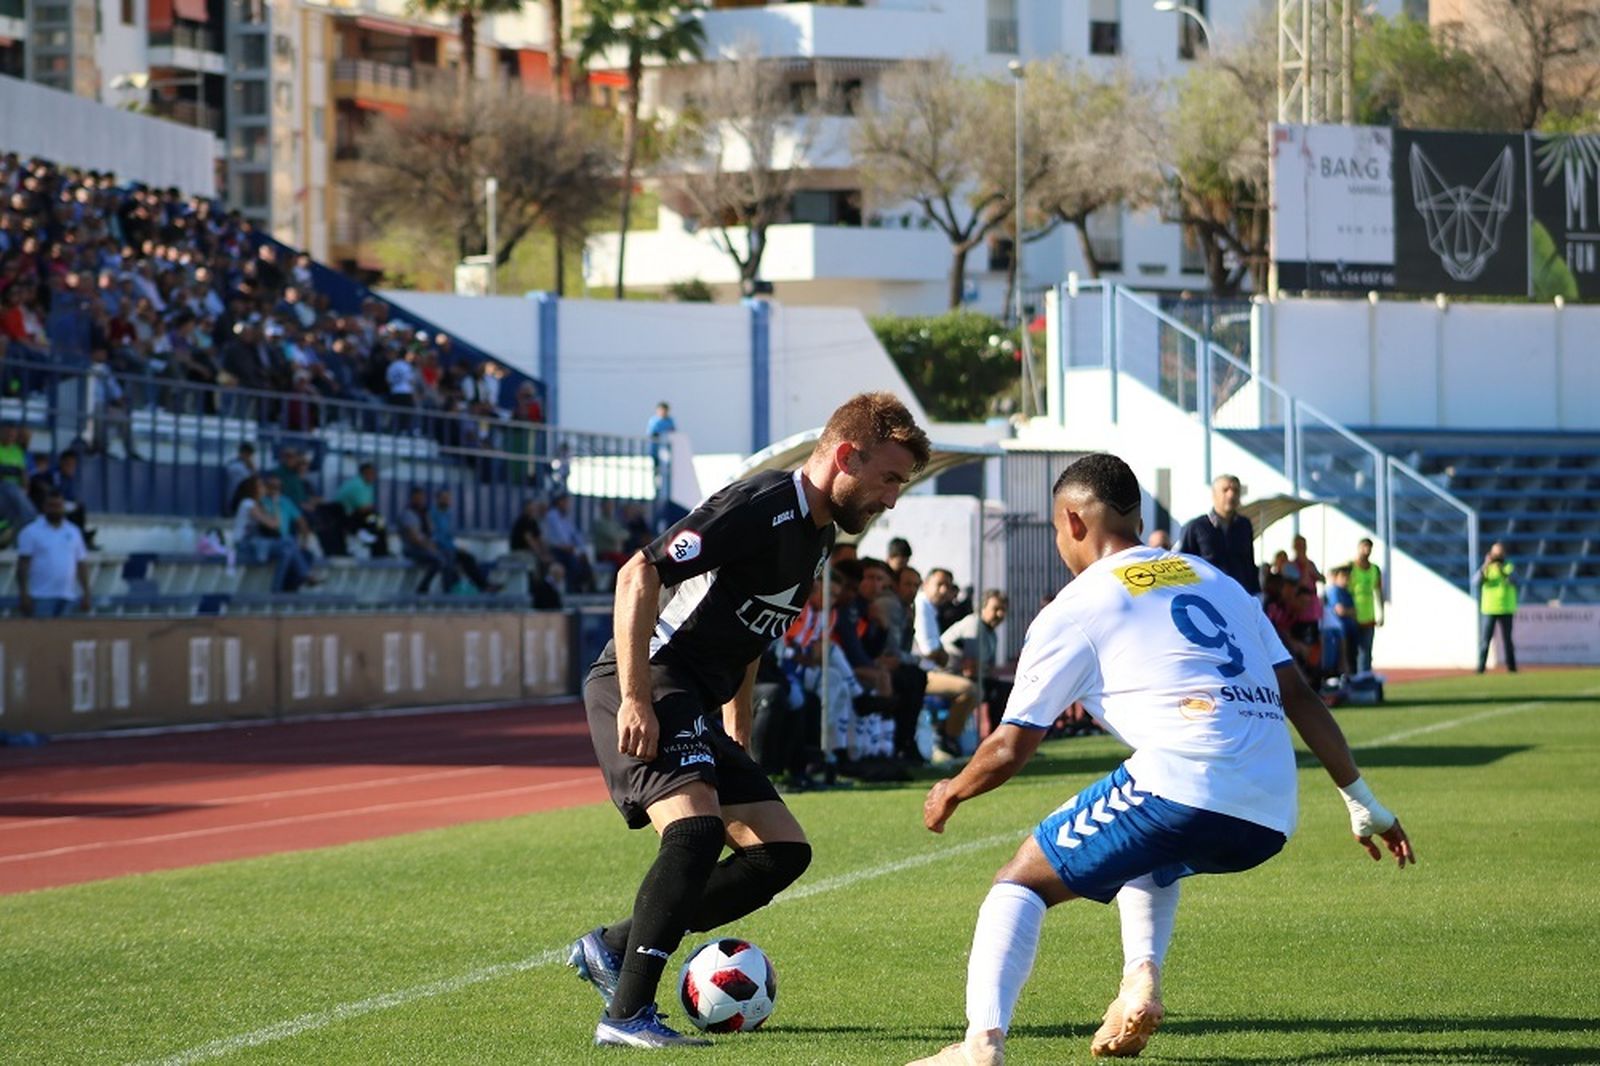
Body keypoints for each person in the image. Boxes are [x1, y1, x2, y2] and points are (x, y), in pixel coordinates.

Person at [908, 453, 1414, 1066]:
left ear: (1071, 521)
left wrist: (952, 790)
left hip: (1186, 781)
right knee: (1151, 854)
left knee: (1019, 882)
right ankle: (1139, 980)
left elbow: (1011, 744)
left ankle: (980, 1047)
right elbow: (1299, 697)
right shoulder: (1215, 580)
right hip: (1273, 810)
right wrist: (1362, 802)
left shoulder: (1077, 605)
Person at [568, 391, 929, 1047]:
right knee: (698, 831)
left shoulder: (818, 537)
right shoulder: (764, 503)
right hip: (655, 677)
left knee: (781, 853)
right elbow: (637, 572)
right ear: (846, 456)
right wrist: (636, 696)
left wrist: (738, 729)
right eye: (888, 479)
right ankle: (625, 1016)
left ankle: (615, 946)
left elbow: (752, 637)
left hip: (697, 701)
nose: (892, 499)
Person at [912, 567, 980, 764]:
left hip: (928, 671)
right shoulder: (922, 605)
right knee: (969, 689)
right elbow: (931, 651)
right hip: (922, 673)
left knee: (975, 688)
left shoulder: (930, 609)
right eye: (939, 584)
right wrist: (942, 658)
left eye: (948, 587)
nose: (944, 591)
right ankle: (945, 739)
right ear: (926, 584)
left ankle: (946, 734)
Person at [1177, 474, 1258, 595]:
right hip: (1209, 597)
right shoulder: (1196, 527)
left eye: (1235, 490)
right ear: (1214, 495)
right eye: (1225, 490)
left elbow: (1249, 562)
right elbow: (1184, 564)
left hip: (1239, 596)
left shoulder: (1244, 525)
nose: (1231, 495)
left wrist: (1256, 592)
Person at [17, 488, 90, 618]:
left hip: (68, 596)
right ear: (44, 508)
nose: (55, 510)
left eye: (58, 506)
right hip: (40, 596)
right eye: (51, 506)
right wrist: (23, 594)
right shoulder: (31, 531)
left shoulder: (73, 531)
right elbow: (23, 565)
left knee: (65, 637)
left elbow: (81, 564)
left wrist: (86, 593)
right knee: (41, 636)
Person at [430, 488, 498, 593]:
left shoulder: (448, 514)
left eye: (448, 498)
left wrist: (455, 548)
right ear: (438, 499)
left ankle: (483, 585)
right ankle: (448, 590)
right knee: (449, 560)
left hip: (449, 548)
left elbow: (448, 536)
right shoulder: (432, 514)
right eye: (444, 498)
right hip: (439, 548)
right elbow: (434, 535)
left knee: (469, 558)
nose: (447, 501)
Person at [398, 486, 456, 594]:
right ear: (413, 498)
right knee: (440, 559)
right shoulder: (409, 513)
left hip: (425, 547)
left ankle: (449, 589)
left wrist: (432, 545)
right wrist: (430, 547)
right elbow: (415, 538)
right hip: (412, 549)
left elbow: (431, 532)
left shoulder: (424, 513)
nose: (421, 500)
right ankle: (423, 587)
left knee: (449, 555)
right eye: (418, 497)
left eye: (422, 497)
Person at [1477, 542, 1518, 674]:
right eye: (1495, 554)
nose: (1497, 556)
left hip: (1506, 608)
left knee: (1508, 640)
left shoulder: (1508, 567)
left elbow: (1513, 581)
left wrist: (1500, 568)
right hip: (1489, 608)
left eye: (1499, 554)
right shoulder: (1486, 568)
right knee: (1485, 640)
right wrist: (1486, 565)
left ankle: (1511, 668)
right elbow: (1477, 581)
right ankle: (1481, 668)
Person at [1348, 537, 1384, 673]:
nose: (1367, 550)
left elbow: (1379, 592)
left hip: (1368, 616)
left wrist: (1382, 613)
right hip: (1353, 615)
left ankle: (1364, 678)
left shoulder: (1375, 569)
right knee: (1352, 650)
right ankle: (1354, 677)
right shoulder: (1351, 567)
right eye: (1364, 547)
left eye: (1369, 547)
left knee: (1366, 650)